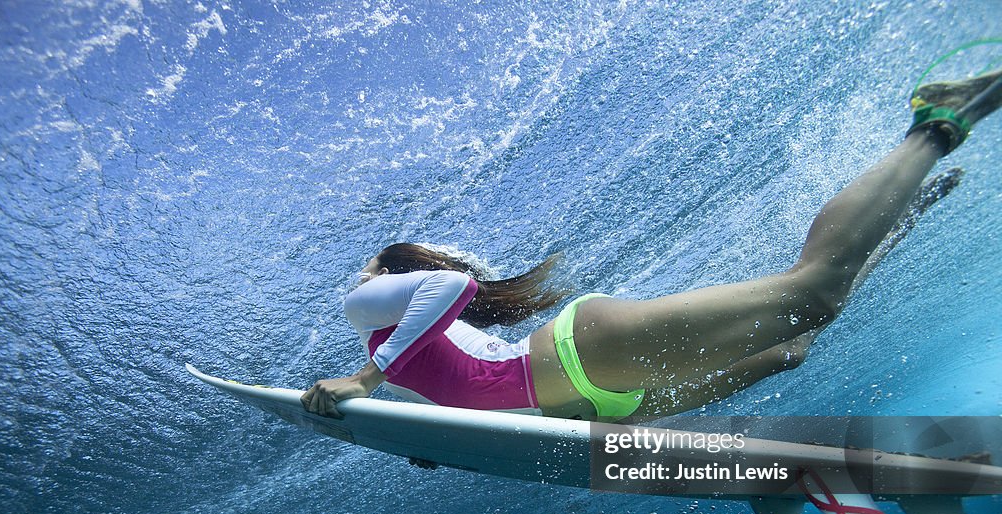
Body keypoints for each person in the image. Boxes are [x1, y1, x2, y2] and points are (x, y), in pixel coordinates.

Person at [301, 69, 1002, 422]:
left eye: (371, 267)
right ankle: (897, 218)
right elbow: (460, 367)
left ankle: (935, 125)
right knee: (793, 347)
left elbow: (452, 286)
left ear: (384, 268)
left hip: (580, 357)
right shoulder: (403, 336)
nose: (361, 275)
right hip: (598, 401)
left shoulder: (362, 306)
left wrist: (367, 379)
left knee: (812, 291)